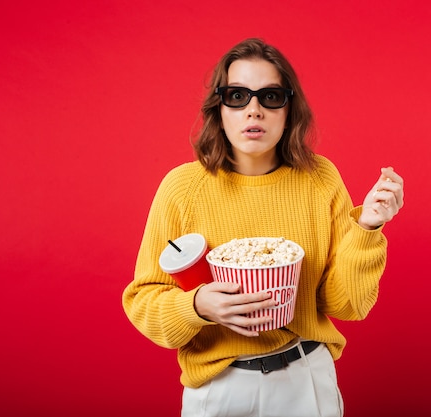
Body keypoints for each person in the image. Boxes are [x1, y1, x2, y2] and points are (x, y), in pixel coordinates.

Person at [122, 38, 404, 417]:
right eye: (237, 96)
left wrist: (369, 226)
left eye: (270, 97)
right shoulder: (183, 188)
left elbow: (346, 305)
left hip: (306, 379)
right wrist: (197, 305)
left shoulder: (319, 179)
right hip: (220, 387)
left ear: (289, 110)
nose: (253, 110)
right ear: (218, 109)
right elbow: (144, 301)